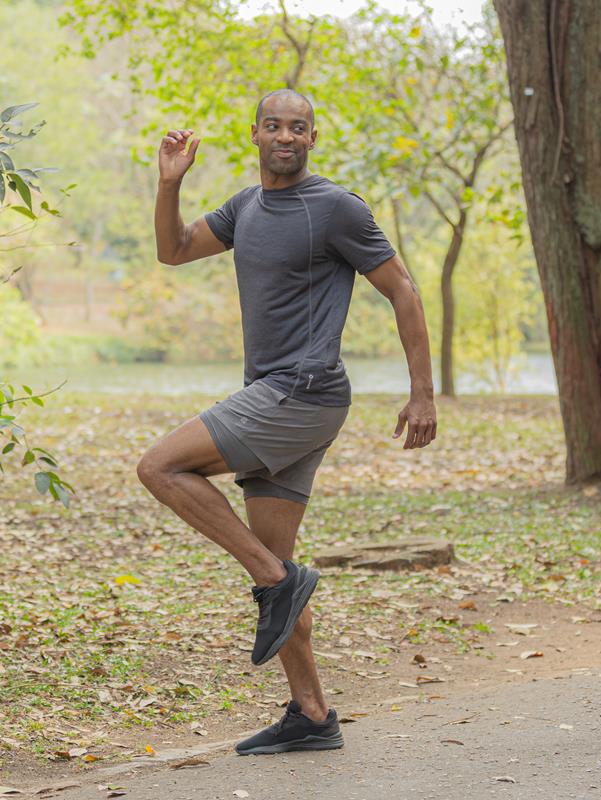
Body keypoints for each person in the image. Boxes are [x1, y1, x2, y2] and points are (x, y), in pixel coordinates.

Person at [136, 88, 436, 755]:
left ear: (312, 138)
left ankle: (278, 583)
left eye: (298, 128)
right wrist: (168, 186)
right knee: (275, 562)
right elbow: (174, 250)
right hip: (279, 396)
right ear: (255, 134)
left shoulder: (335, 208)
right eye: (274, 125)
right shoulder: (246, 207)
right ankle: (311, 713)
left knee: (159, 466)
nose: (286, 136)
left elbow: (403, 289)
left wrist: (423, 393)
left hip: (303, 392)